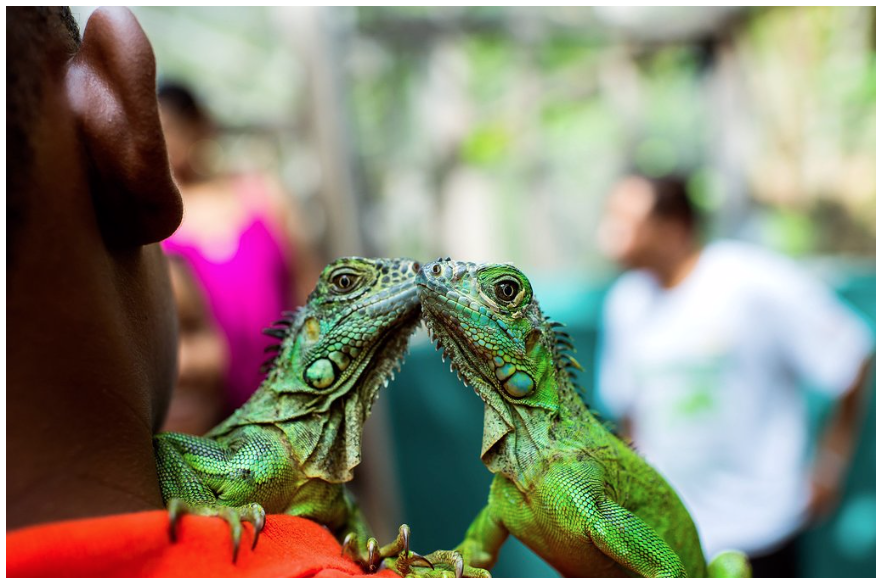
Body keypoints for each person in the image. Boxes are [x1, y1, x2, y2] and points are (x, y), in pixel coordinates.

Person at [6, 8, 389, 577]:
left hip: (280, 394)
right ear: (131, 124)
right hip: (206, 414)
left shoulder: (261, 194)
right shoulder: (167, 212)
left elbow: (312, 290)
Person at [596, 173, 873, 577]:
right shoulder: (626, 302)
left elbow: (850, 353)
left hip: (760, 530)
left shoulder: (751, 282)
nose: (610, 231)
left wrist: (830, 466)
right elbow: (628, 412)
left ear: (674, 227)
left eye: (627, 219)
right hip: (673, 537)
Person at [157, 82, 321, 418]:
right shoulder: (158, 225)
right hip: (214, 412)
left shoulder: (262, 195)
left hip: (291, 398)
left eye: (172, 129)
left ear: (200, 126)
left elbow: (310, 286)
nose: (166, 143)